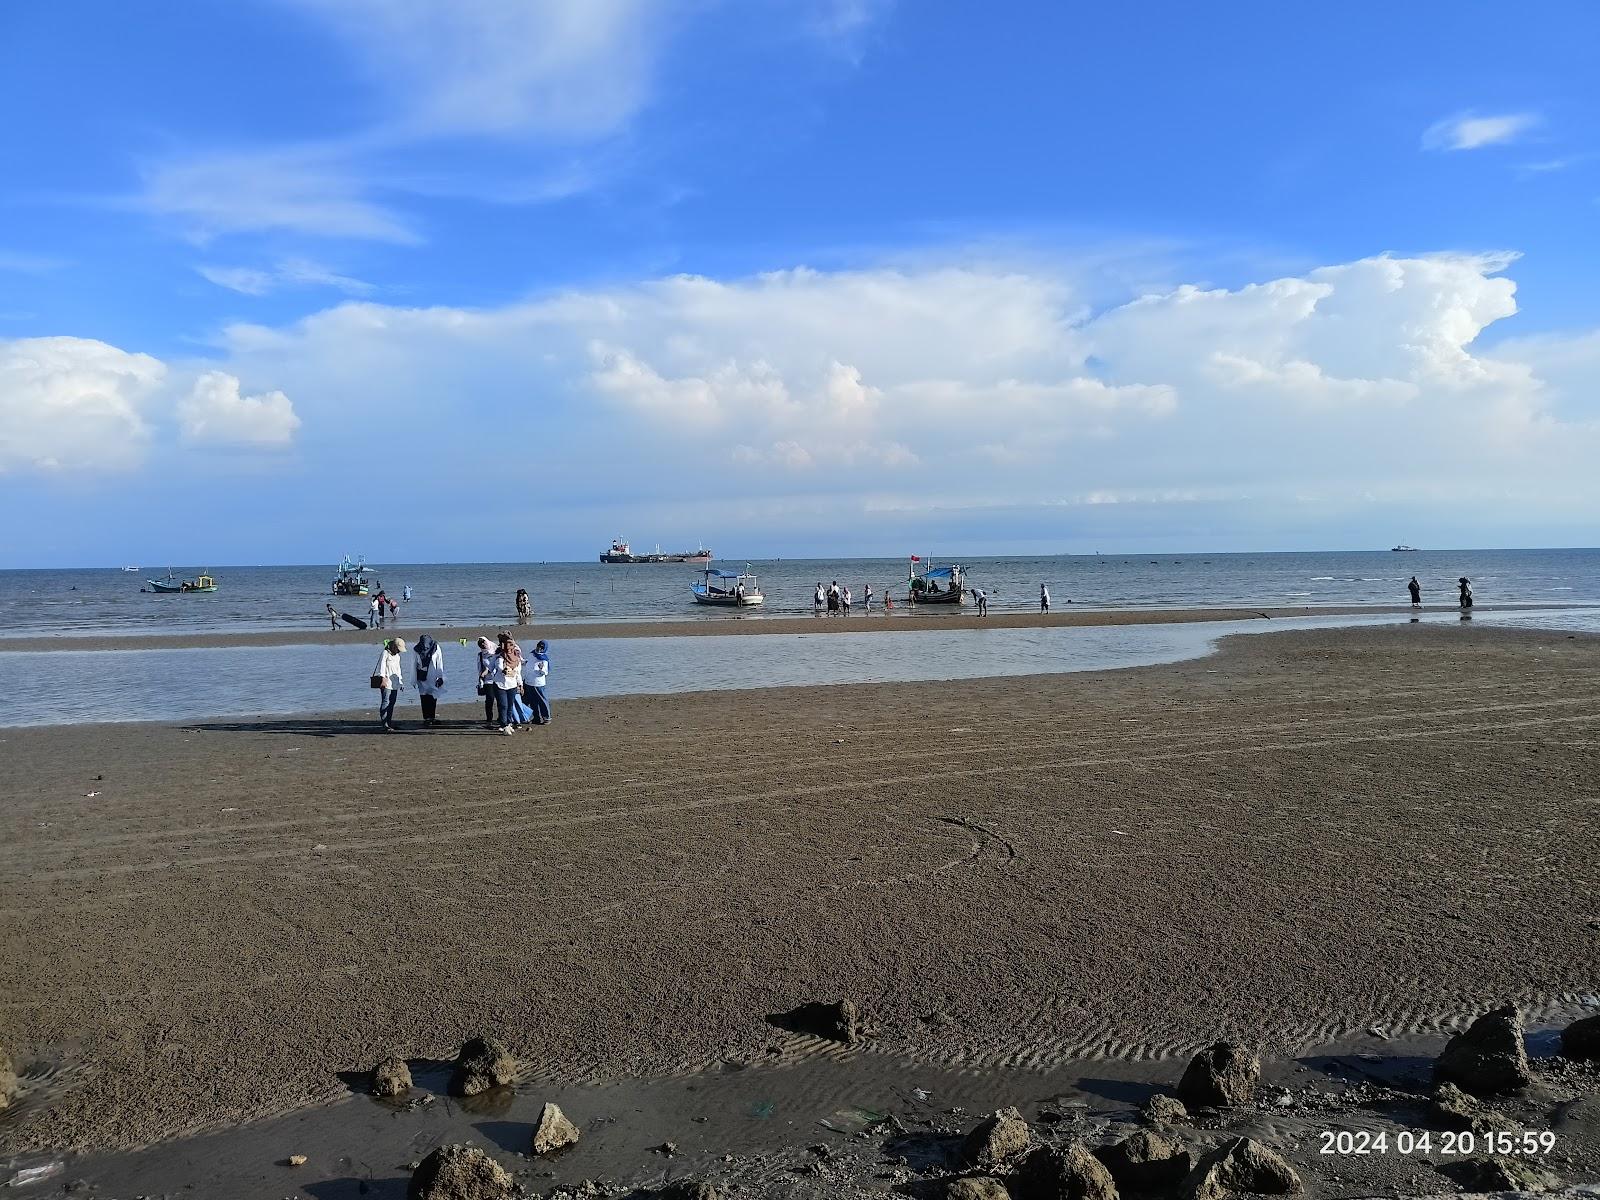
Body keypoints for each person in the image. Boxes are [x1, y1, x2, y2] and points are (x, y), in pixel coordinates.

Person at [491, 632, 525, 734]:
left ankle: (509, 723)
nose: (510, 649)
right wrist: (504, 670)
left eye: (512, 646)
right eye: (508, 646)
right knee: (503, 705)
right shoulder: (500, 657)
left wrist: (521, 685)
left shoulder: (517, 659)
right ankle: (504, 725)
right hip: (500, 685)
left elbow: (518, 673)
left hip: (512, 685)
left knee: (510, 706)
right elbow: (499, 666)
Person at [372, 637, 407, 731]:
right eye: (398, 649)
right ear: (394, 646)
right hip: (386, 682)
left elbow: (398, 670)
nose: (399, 651)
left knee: (392, 703)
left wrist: (401, 682)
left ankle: (389, 723)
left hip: (395, 683)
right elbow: (381, 666)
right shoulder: (385, 653)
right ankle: (385, 724)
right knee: (385, 702)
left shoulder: (397, 656)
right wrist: (383, 679)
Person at [413, 635, 445, 727]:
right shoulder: (416, 649)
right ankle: (426, 718)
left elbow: (439, 662)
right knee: (423, 697)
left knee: (433, 696)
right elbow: (414, 664)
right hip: (421, 676)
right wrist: (413, 679)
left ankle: (432, 717)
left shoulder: (436, 647)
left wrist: (440, 676)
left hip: (433, 675)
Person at [525, 640, 551, 724]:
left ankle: (546, 718)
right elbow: (527, 663)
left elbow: (545, 672)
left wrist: (541, 669)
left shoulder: (544, 659)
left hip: (538, 683)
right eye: (538, 646)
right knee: (532, 701)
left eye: (542, 647)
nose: (539, 648)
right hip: (528, 681)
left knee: (542, 700)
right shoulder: (531, 654)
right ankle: (536, 717)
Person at [475, 636, 498, 728]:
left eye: (484, 644)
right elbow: (479, 669)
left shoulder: (496, 652)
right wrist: (480, 678)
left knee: (501, 701)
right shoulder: (480, 655)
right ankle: (489, 720)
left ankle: (502, 719)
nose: (483, 646)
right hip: (488, 681)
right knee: (489, 700)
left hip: (498, 680)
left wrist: (489, 670)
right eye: (481, 645)